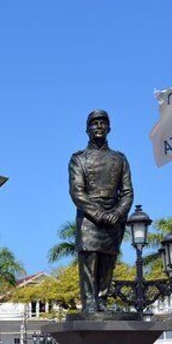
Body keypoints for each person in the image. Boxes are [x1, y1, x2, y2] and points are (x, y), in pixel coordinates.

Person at [68, 110, 133, 314]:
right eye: (94, 123)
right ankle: (89, 303)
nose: (99, 126)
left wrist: (119, 212)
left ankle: (102, 300)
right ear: (87, 129)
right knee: (89, 260)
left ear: (109, 128)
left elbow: (128, 191)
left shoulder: (119, 159)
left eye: (103, 123)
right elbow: (77, 191)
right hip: (89, 217)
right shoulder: (78, 159)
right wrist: (98, 214)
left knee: (107, 262)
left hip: (114, 217)